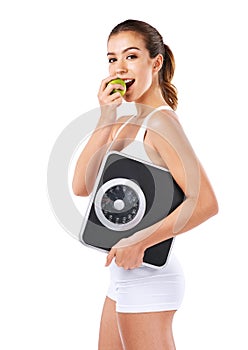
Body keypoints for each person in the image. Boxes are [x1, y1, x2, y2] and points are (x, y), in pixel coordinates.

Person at [72, 19, 218, 350]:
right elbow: (82, 185)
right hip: (122, 277)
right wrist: (105, 116)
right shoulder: (128, 119)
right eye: (112, 59)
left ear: (156, 62)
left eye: (131, 56)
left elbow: (206, 202)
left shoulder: (162, 122)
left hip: (149, 278)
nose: (120, 67)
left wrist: (139, 242)